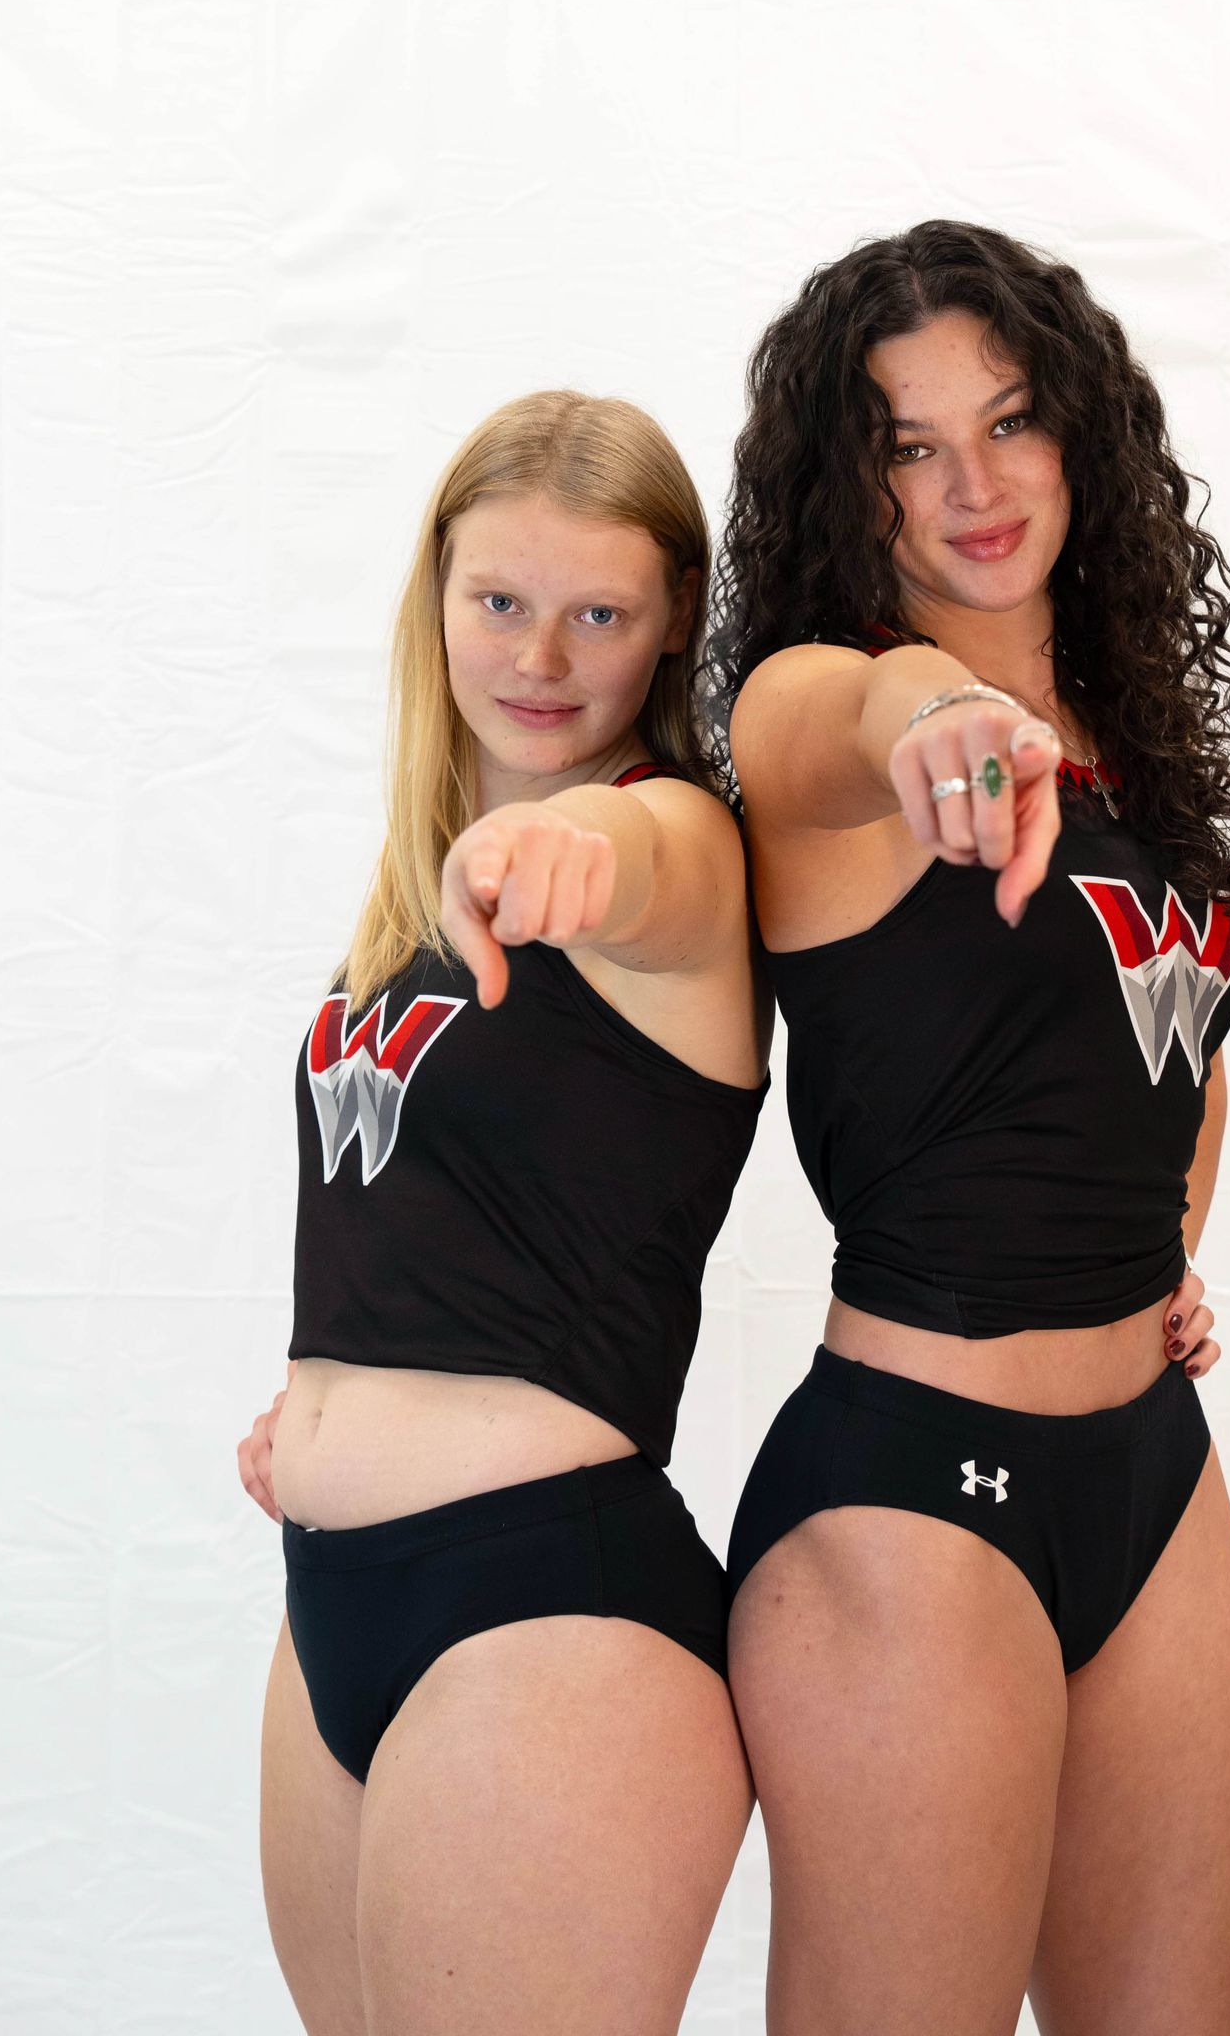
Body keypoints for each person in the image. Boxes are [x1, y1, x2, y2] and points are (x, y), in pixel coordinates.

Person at [708, 220, 1230, 2036]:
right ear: (848, 486)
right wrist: (926, 701)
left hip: (1155, 1475)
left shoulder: (1132, 735)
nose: (974, 481)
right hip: (910, 1495)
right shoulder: (841, 727)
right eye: (907, 444)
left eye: (1012, 421)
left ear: (1080, 436)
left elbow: (1173, 1023)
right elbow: (813, 717)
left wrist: (1165, 1248)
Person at [237, 390, 767, 2036]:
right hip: (337, 1604)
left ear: (669, 626)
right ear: (438, 603)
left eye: (599, 613)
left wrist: (565, 844)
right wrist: (327, 1409)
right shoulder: (409, 896)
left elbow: (632, 857)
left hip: (547, 1618)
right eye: (500, 603)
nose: (542, 656)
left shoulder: (671, 849)